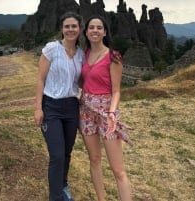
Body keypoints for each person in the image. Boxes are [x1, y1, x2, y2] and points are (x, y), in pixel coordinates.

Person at [79, 15, 133, 201]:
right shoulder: (84, 55)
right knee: (94, 160)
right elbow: (82, 82)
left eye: (99, 27)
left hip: (107, 112)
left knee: (118, 169)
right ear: (86, 32)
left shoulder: (113, 57)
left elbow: (117, 91)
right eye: (91, 27)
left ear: (104, 32)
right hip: (86, 112)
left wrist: (111, 113)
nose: (95, 30)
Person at [34, 12, 84, 201]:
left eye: (74, 26)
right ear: (62, 29)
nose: (70, 29)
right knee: (56, 155)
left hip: (71, 106)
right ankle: (55, 197)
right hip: (51, 106)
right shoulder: (51, 49)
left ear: (79, 29)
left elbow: (80, 82)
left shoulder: (80, 54)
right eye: (67, 26)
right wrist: (38, 108)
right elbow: (40, 79)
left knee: (66, 153)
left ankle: (62, 185)